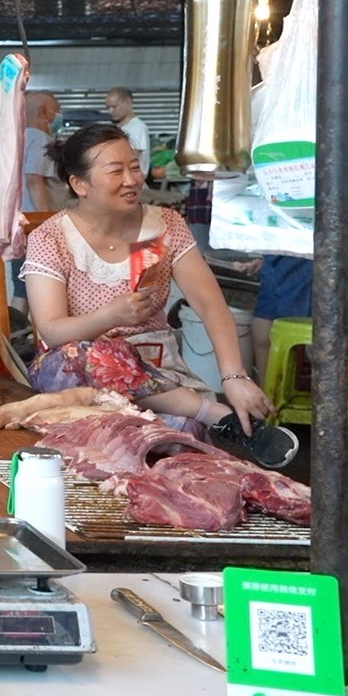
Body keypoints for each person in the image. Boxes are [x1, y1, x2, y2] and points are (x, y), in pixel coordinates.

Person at [18, 124, 294, 467]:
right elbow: (52, 330)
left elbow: (210, 304)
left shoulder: (166, 224)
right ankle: (215, 414)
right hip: (77, 375)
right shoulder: (51, 238)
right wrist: (111, 317)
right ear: (80, 184)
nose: (132, 179)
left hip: (158, 374)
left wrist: (234, 376)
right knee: (78, 354)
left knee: (183, 437)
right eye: (116, 171)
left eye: (134, 166)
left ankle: (190, 422)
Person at [21, 92, 61, 214]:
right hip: (35, 215)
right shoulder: (40, 138)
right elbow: (33, 180)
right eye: (56, 112)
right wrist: (45, 218)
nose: (59, 117)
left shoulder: (18, 138)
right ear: (43, 111)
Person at [103, 87, 151, 177]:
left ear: (128, 102)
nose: (110, 111)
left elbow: (131, 156)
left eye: (114, 106)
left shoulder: (137, 127)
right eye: (108, 108)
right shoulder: (120, 128)